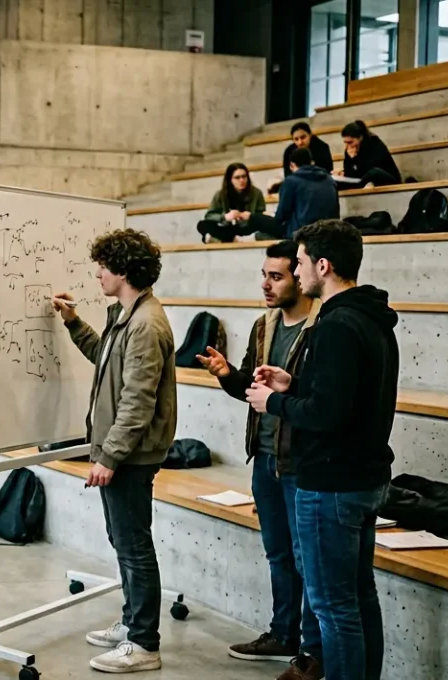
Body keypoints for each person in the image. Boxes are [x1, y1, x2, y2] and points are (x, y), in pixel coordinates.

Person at [246, 220, 397, 680]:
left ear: (323, 265)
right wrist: (296, 384)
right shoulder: (371, 319)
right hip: (363, 480)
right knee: (358, 598)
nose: (299, 269)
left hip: (331, 485)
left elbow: (328, 416)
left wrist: (273, 402)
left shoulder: (334, 325)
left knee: (335, 610)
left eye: (303, 261)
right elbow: (346, 397)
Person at [195, 241, 324, 678]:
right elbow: (253, 392)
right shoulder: (263, 325)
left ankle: (310, 650)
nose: (266, 285)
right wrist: (228, 375)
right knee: (278, 553)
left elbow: (316, 400)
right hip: (264, 457)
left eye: (277, 276)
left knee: (307, 558)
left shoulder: (322, 326)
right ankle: (283, 632)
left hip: (301, 462)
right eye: (264, 275)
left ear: (300, 277)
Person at [51, 228, 176, 674]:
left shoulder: (144, 324)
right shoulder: (127, 315)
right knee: (124, 543)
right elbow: (104, 358)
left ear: (123, 269)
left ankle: (144, 643)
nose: (97, 272)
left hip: (131, 454)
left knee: (134, 547)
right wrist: (71, 322)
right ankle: (131, 623)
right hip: (123, 450)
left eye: (103, 265)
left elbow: (137, 401)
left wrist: (108, 457)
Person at [197, 163, 280, 243]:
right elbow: (209, 215)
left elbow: (261, 216)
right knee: (202, 225)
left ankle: (222, 239)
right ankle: (231, 238)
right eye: (237, 178)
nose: (242, 180)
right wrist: (225, 217)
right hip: (229, 227)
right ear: (230, 180)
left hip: (248, 227)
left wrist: (250, 216)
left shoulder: (256, 193)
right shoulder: (220, 194)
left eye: (244, 176)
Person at [273, 147, 340, 239]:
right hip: (328, 232)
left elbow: (281, 215)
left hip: (302, 234)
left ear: (292, 165)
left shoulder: (291, 181)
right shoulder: (329, 179)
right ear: (312, 162)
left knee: (260, 233)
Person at [269, 122, 335, 193]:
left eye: (303, 137)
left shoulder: (322, 147)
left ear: (310, 135)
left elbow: (326, 172)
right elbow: (288, 175)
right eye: (296, 139)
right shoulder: (289, 152)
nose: (300, 142)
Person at [337, 120, 400, 190]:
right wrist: (351, 161)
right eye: (345, 142)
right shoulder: (349, 149)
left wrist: (355, 159)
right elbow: (350, 175)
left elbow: (370, 169)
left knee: (374, 173)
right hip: (361, 181)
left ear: (360, 138)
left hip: (384, 178)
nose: (347, 145)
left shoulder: (374, 143)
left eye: (350, 142)